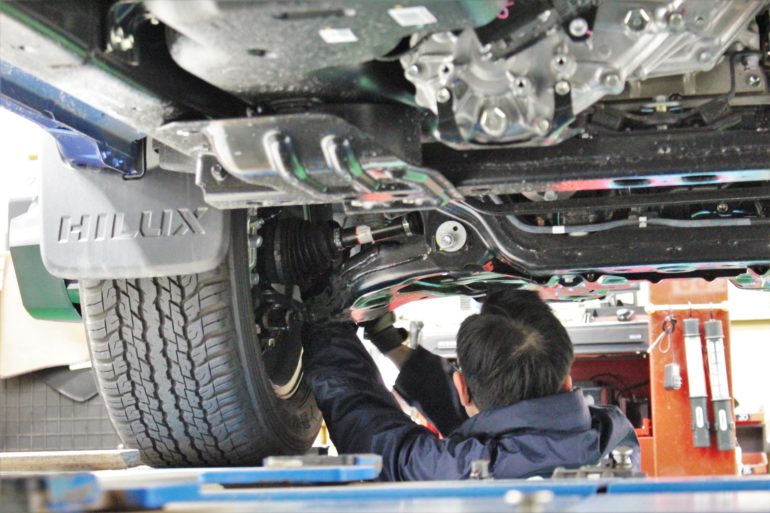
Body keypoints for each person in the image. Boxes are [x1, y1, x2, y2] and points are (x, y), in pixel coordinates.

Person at [302, 289, 639, 481]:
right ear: (567, 383)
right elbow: (504, 431)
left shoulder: (462, 470)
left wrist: (326, 323)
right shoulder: (614, 438)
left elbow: (366, 426)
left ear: (461, 389)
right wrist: (389, 343)